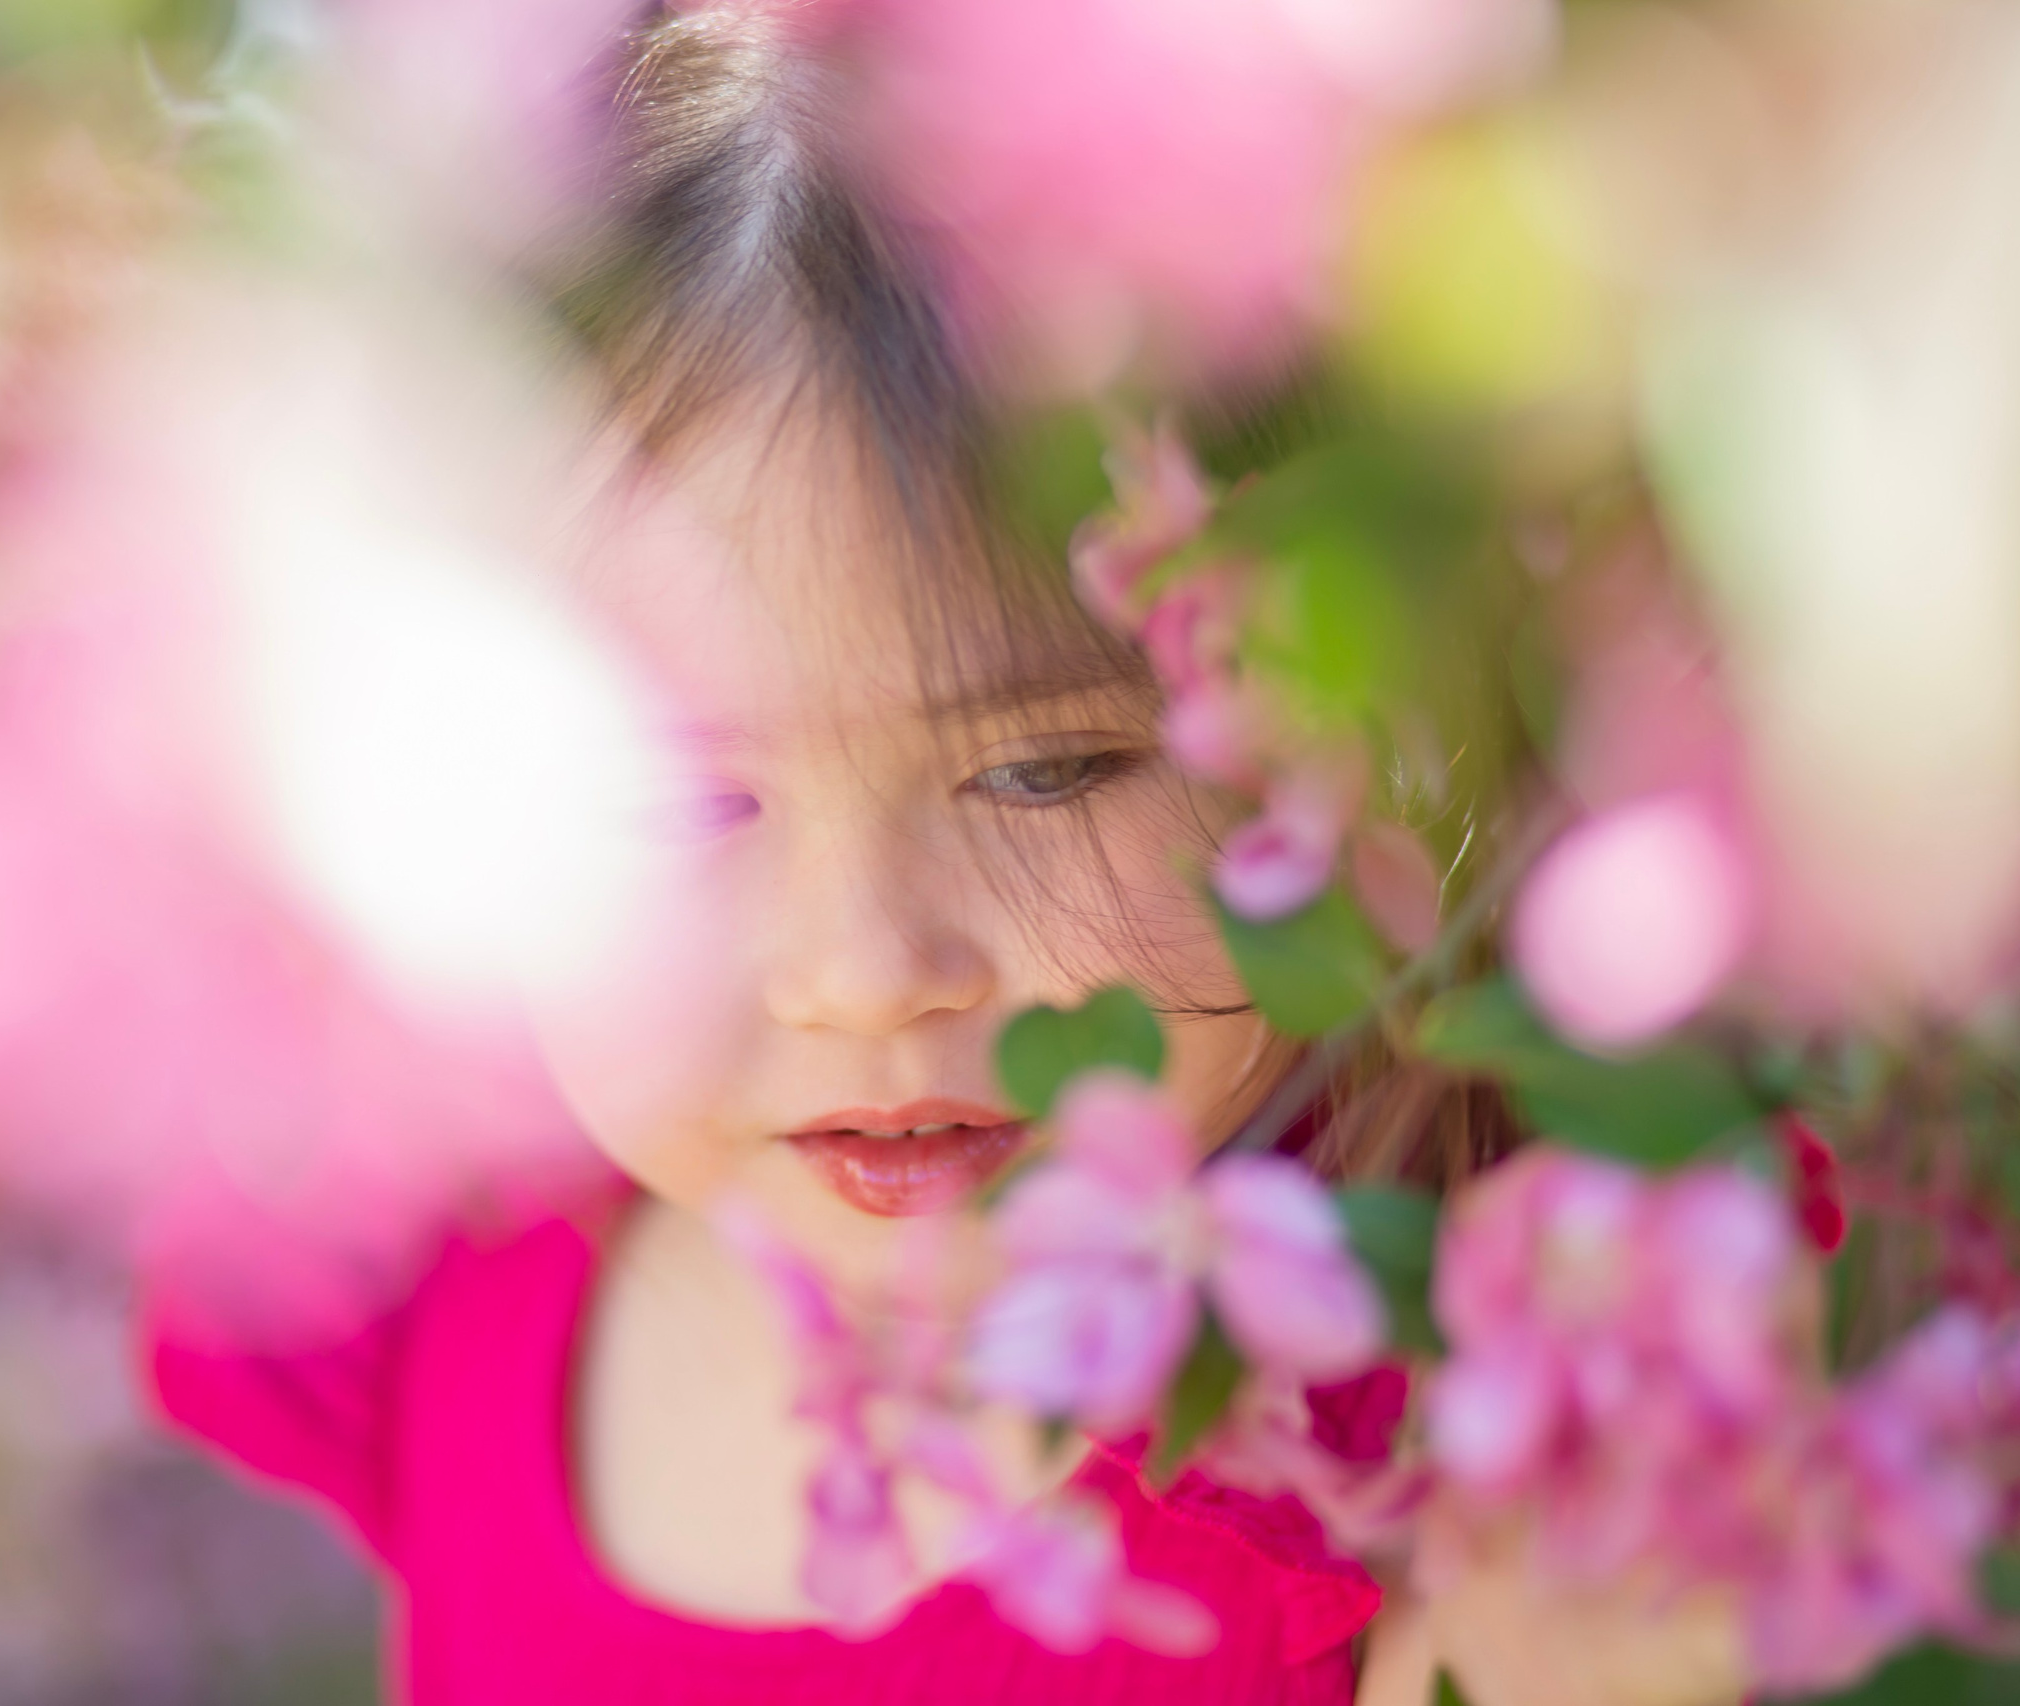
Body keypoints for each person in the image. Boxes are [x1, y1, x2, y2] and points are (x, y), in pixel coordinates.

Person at [142, 9, 1599, 1704]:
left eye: (1047, 770)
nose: (866, 969)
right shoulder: (453, 1263)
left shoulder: (1431, 1459)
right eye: (681, 805)